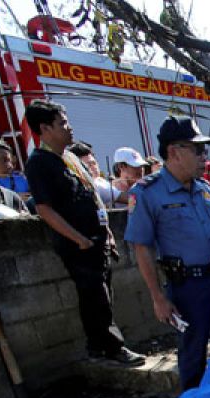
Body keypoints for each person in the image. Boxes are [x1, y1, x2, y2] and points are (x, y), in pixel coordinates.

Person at [126, 117, 210, 391]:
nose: (203, 156)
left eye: (204, 150)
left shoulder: (205, 189)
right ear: (174, 152)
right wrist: (157, 298)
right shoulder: (147, 193)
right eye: (197, 150)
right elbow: (142, 246)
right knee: (193, 356)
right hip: (188, 288)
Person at [24, 99, 143, 365]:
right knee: (94, 294)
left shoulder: (70, 158)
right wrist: (78, 238)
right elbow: (44, 209)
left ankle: (98, 345)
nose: (69, 128)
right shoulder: (40, 163)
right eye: (62, 124)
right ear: (44, 128)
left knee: (102, 292)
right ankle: (112, 347)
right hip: (78, 243)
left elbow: (93, 195)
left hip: (97, 238)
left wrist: (107, 231)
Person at [68, 142, 119, 207]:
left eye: (94, 163)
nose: (94, 167)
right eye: (88, 165)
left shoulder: (100, 181)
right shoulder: (98, 185)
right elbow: (128, 198)